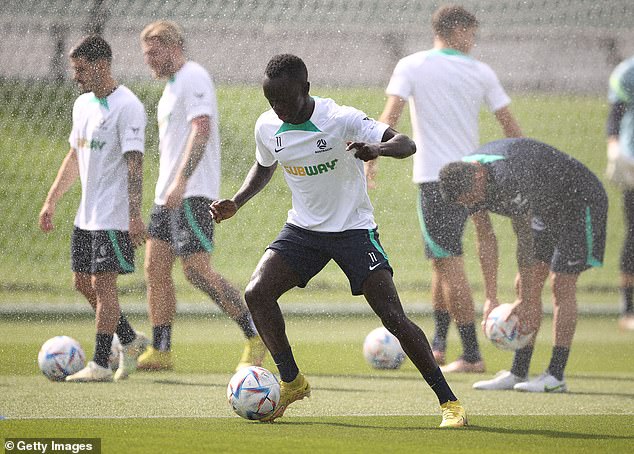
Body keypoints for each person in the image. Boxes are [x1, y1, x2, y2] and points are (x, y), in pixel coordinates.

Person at [210, 54, 466, 427]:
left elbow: (406, 143)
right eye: (272, 102)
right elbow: (265, 165)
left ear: (306, 90)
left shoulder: (339, 118)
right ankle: (292, 381)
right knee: (257, 293)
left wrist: (375, 150)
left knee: (393, 318)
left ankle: (450, 402)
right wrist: (238, 201)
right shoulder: (267, 126)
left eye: (285, 100)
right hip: (303, 231)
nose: (278, 109)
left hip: (352, 230)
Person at [373, 4, 523, 373]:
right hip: (476, 177)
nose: (473, 41)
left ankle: (471, 354)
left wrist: (372, 156)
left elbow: (389, 116)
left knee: (449, 262)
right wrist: (521, 166)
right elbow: (510, 127)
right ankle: (439, 344)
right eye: (471, 33)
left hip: (437, 181)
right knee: (442, 264)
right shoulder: (481, 71)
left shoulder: (412, 65)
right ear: (456, 30)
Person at [138, 20, 265, 371]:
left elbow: (202, 130)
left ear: (172, 45)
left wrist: (182, 180)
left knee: (196, 270)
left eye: (153, 52)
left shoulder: (194, 76)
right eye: (145, 52)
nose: (147, 59)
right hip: (167, 196)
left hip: (193, 192)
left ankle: (255, 335)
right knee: (155, 268)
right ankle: (162, 350)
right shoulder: (171, 88)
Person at [439, 138, 607, 392]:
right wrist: (491, 297)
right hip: (547, 208)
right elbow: (485, 238)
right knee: (524, 284)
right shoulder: (466, 181)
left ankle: (555, 375)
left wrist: (528, 300)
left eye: (474, 196)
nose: (474, 202)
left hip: (580, 202)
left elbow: (524, 237)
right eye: (468, 201)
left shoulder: (508, 177)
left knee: (560, 282)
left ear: (480, 174)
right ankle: (519, 373)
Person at [38, 35, 149, 382]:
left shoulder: (128, 106)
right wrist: (51, 200)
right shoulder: (83, 105)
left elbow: (135, 165)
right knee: (82, 283)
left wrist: (133, 215)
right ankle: (129, 340)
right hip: (86, 216)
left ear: (102, 65)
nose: (75, 76)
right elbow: (74, 156)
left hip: (114, 217)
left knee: (104, 288)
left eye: (81, 68)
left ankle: (101, 363)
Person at [606, 55, 634, 331]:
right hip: (633, 160)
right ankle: (629, 309)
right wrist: (613, 148)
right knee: (633, 232)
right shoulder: (628, 72)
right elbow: (615, 114)